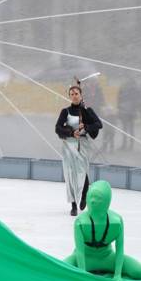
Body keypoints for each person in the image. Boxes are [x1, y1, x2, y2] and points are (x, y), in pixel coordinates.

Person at [64, 180, 141, 280]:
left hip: (107, 258)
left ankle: (105, 270)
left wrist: (117, 275)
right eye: (90, 197)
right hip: (85, 258)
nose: (92, 201)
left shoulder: (116, 221)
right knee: (58, 270)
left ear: (107, 201)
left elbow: (120, 250)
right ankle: (86, 270)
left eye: (97, 198)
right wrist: (83, 274)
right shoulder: (80, 222)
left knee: (140, 271)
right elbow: (80, 252)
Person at [55, 83, 102, 216]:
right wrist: (71, 133)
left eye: (77, 94)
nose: (74, 96)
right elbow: (58, 128)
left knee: (82, 172)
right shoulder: (65, 111)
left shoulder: (87, 111)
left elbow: (99, 124)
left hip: (82, 145)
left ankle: (84, 194)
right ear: (69, 96)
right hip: (68, 146)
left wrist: (85, 126)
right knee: (70, 174)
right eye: (72, 94)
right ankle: (74, 205)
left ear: (81, 95)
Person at [117, 76, 140, 150]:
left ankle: (128, 145)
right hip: (127, 111)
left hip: (128, 111)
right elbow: (119, 99)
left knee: (127, 129)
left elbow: (120, 99)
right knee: (127, 129)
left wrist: (120, 108)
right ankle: (127, 145)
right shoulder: (129, 88)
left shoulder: (131, 88)